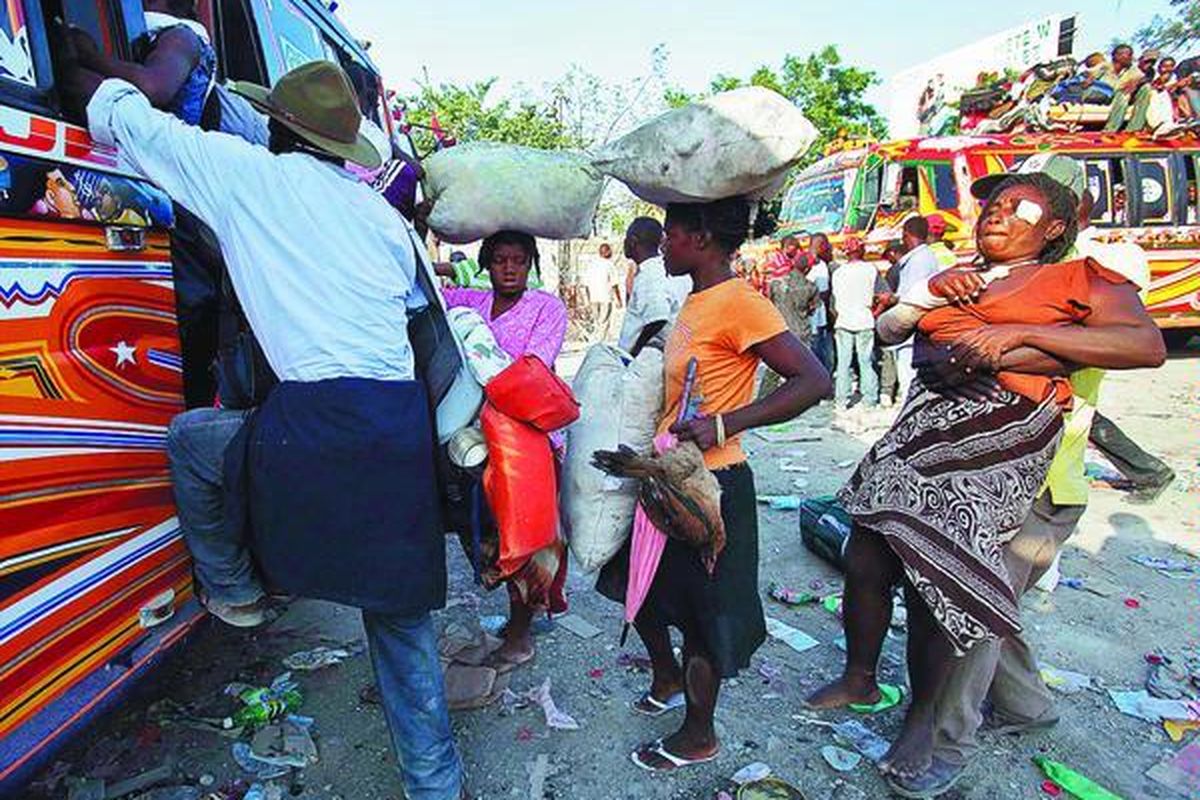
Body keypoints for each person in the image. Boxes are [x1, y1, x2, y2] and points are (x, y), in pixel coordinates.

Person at [73, 61, 465, 798]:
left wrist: (107, 60)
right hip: (395, 427)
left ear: (277, 126)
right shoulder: (379, 217)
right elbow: (420, 322)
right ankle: (436, 785)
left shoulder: (242, 174)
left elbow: (119, 115)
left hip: (316, 425)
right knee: (399, 625)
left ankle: (239, 592)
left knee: (194, 439)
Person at [806, 156, 1165, 796]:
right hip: (923, 432)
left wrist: (1007, 341)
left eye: (1019, 204)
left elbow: (1142, 346)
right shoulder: (961, 276)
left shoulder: (1083, 277)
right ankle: (1020, 705)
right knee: (871, 552)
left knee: (954, 589)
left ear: (1062, 221)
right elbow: (904, 336)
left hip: (1028, 467)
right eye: (992, 205)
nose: (999, 212)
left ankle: (940, 738)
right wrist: (938, 327)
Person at [597, 196, 830, 772]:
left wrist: (724, 424)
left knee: (706, 615)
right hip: (669, 476)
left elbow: (814, 381)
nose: (664, 244)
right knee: (637, 586)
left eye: (672, 233)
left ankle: (699, 734)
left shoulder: (740, 302)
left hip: (714, 486)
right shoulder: (695, 301)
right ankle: (668, 677)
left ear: (700, 238)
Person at [442, 231, 569, 669]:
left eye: (518, 260)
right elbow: (424, 284)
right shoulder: (471, 303)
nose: (509, 268)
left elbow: (532, 369)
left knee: (527, 536)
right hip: (474, 438)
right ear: (486, 264)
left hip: (526, 436)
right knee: (488, 535)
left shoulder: (547, 308)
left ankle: (520, 636)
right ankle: (516, 619)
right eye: (499, 260)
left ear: (531, 263)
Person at [617, 216, 692, 357]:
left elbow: (658, 318)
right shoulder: (659, 268)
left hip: (645, 359)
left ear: (633, 241)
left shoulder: (650, 275)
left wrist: (634, 353)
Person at [760, 242, 819, 399]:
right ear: (807, 269)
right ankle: (797, 398)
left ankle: (764, 397)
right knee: (802, 370)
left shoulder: (776, 283)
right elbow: (813, 309)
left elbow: (768, 304)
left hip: (778, 330)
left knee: (773, 367)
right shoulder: (811, 287)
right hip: (801, 332)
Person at [892, 216, 943, 399]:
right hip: (915, 325)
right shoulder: (924, 257)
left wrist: (891, 300)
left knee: (908, 375)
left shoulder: (919, 260)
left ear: (906, 234)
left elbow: (913, 297)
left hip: (911, 327)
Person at [830, 237, 879, 409]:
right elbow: (881, 294)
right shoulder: (870, 270)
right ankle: (870, 399)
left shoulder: (838, 273)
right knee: (865, 361)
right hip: (864, 319)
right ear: (861, 250)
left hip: (843, 320)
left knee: (843, 362)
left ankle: (841, 400)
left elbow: (834, 300)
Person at [1103, 45, 1153, 132]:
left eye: (1131, 55)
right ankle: (1110, 129)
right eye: (1128, 55)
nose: (1131, 57)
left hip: (1122, 95)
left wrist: (1136, 83)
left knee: (1146, 88)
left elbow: (1143, 78)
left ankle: (1133, 129)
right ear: (1117, 56)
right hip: (1105, 95)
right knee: (1124, 94)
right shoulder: (1104, 67)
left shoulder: (1133, 69)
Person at [807, 233, 835, 375]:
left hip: (801, 318)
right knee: (821, 353)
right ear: (822, 245)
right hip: (817, 318)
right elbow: (824, 294)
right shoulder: (820, 265)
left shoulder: (800, 260)